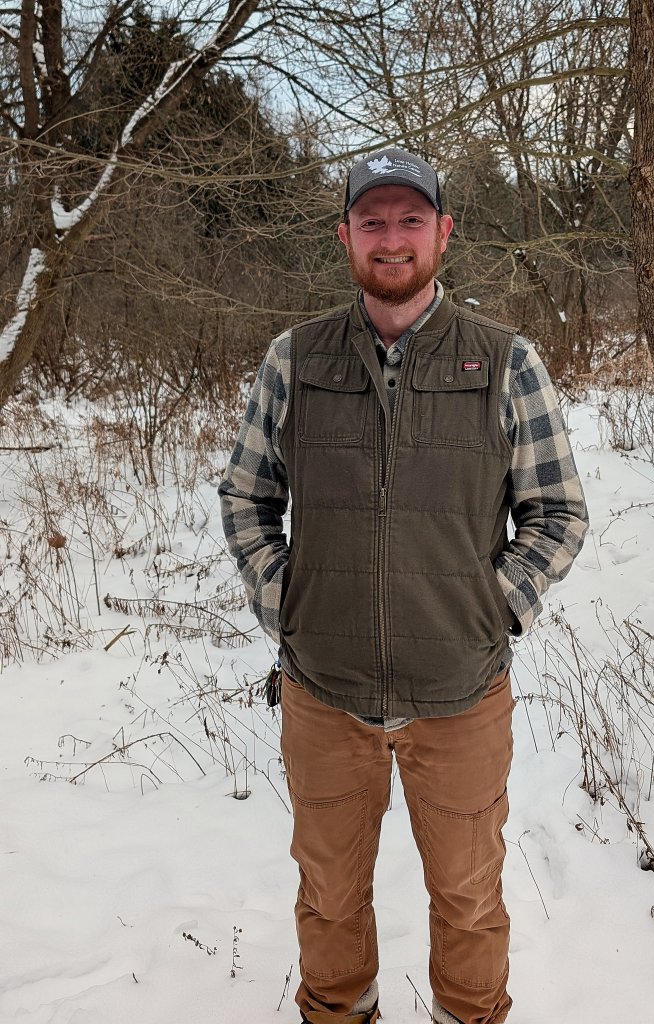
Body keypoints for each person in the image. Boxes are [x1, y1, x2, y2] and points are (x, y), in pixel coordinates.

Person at [219, 147, 589, 1024]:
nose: (392, 239)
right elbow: (246, 495)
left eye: (409, 220)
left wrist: (490, 612)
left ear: (443, 232)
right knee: (330, 897)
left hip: (458, 697)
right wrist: (288, 605)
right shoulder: (294, 358)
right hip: (325, 693)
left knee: (466, 899)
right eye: (372, 221)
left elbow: (557, 512)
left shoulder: (505, 361)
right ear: (345, 234)